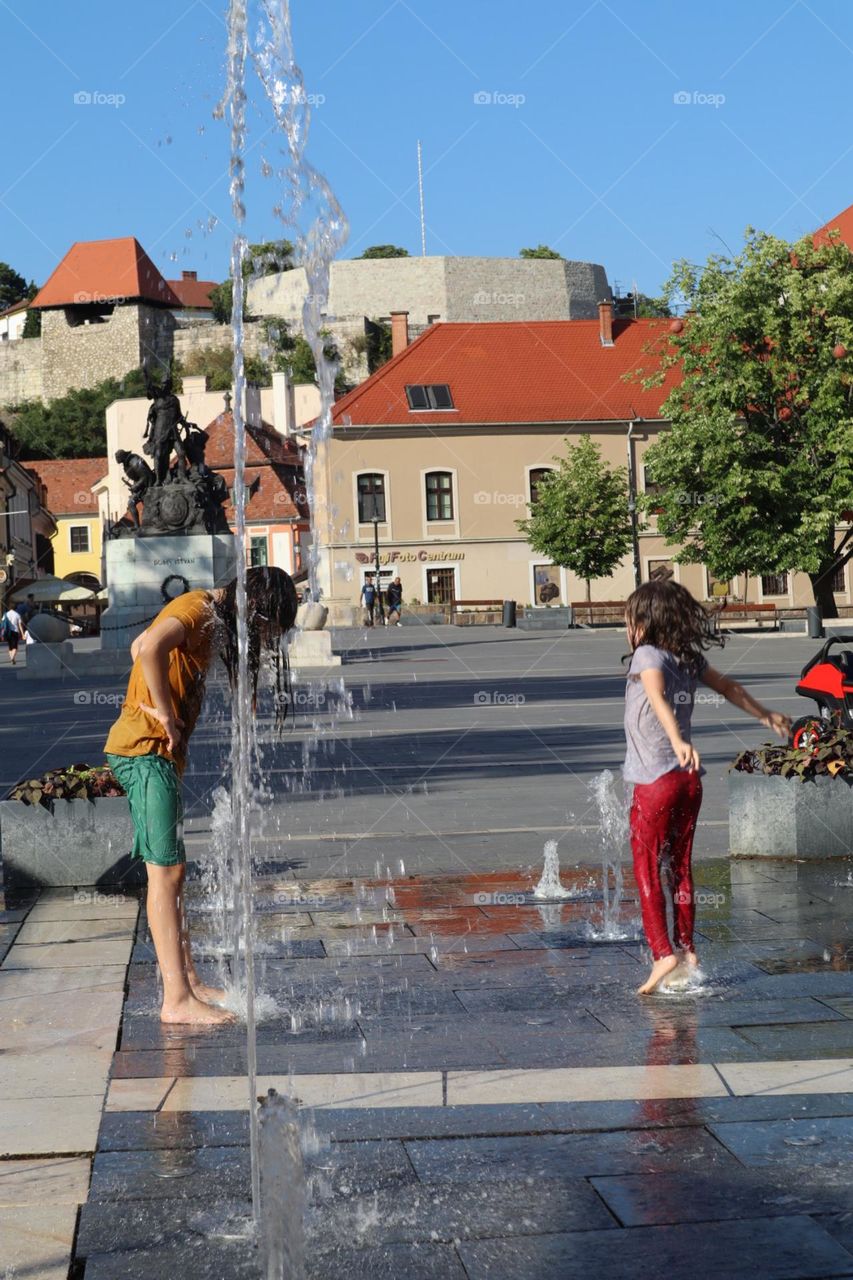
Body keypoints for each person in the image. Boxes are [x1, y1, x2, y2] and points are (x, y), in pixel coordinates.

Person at [104, 566, 298, 1024]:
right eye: (267, 627)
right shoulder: (196, 608)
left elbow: (139, 646)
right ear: (254, 607)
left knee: (173, 872)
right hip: (144, 752)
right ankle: (176, 1002)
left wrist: (154, 699)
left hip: (154, 756)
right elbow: (149, 647)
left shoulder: (206, 616)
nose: (266, 638)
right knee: (165, 873)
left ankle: (188, 983)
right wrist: (166, 716)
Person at [623, 577, 790, 996]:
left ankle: (663, 953)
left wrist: (677, 740)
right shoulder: (687, 658)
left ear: (643, 621)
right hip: (688, 782)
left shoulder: (646, 654)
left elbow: (658, 697)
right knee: (679, 869)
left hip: (655, 781)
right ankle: (688, 950)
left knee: (646, 870)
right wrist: (765, 714)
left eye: (628, 619)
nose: (625, 627)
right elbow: (729, 687)